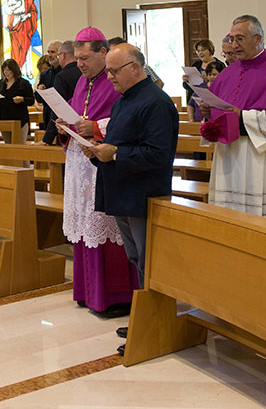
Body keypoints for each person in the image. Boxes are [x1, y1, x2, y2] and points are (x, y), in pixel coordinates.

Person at [84, 43, 179, 356]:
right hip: (122, 191)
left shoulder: (157, 103)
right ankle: (143, 317)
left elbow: (158, 155)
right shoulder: (124, 101)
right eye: (108, 70)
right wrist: (98, 152)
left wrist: (115, 153)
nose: (109, 76)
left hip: (143, 194)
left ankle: (154, 324)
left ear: (135, 68)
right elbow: (116, 144)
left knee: (147, 261)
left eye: (114, 70)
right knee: (136, 259)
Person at [58, 28, 136, 317]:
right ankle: (87, 290)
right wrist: (65, 127)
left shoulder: (117, 81)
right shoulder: (81, 82)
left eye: (85, 58)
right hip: (80, 164)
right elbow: (79, 116)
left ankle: (113, 295)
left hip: (105, 163)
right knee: (84, 225)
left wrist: (95, 128)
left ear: (103, 53)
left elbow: (126, 120)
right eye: (77, 58)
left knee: (104, 225)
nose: (79, 64)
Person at [201, 15, 266, 220]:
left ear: (258, 39)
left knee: (261, 218)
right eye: (232, 39)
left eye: (240, 38)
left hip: (260, 157)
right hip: (228, 157)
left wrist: (241, 116)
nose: (234, 45)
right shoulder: (227, 73)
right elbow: (218, 108)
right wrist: (209, 114)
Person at [42, 41, 82, 145]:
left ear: (63, 55)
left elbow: (58, 109)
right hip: (83, 127)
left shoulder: (62, 76)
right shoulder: (84, 72)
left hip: (66, 128)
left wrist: (47, 139)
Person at [0, 58, 35, 144]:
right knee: (8, 147)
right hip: (5, 119)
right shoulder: (0, 83)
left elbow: (31, 100)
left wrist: (22, 99)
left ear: (14, 70)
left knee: (20, 146)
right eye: (4, 70)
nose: (6, 72)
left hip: (20, 120)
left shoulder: (23, 83)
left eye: (8, 70)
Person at [4, 0, 38, 70]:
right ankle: (16, 69)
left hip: (24, 23)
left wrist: (27, 16)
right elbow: (8, 9)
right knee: (15, 47)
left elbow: (33, 10)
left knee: (24, 46)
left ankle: (25, 69)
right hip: (15, 22)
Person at [183, 39, 222, 120]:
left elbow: (223, 83)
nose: (200, 53)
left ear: (210, 50)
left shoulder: (219, 65)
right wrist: (186, 81)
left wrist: (208, 80)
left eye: (203, 50)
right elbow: (188, 87)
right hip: (195, 100)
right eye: (198, 51)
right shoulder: (196, 65)